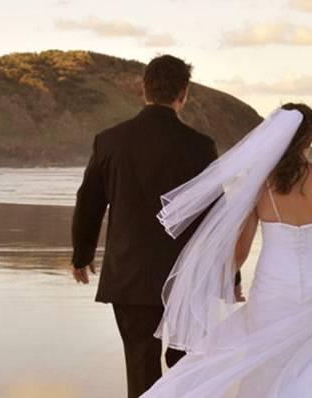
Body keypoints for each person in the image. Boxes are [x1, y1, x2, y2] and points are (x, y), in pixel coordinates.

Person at [141, 103, 312, 397]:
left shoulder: (261, 184)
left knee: (265, 367)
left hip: (274, 291)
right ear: (311, 138)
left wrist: (225, 283)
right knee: (309, 367)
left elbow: (240, 250)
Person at [70, 54, 241, 398]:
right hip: (186, 279)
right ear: (184, 93)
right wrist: (229, 276)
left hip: (130, 277)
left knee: (140, 366)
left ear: (143, 90)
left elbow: (89, 201)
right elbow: (216, 218)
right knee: (185, 368)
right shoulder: (199, 146)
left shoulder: (110, 140)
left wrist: (81, 253)